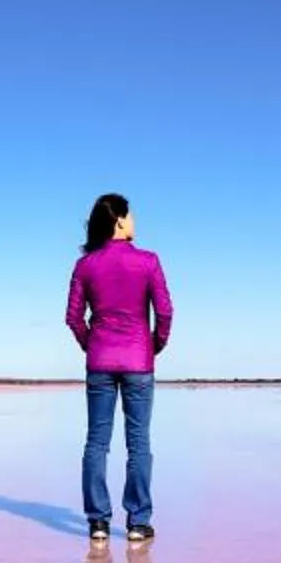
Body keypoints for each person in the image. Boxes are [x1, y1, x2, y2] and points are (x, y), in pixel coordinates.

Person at [65, 192, 173, 543]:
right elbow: (166, 312)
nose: (136, 221)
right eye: (132, 215)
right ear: (120, 220)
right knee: (138, 442)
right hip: (139, 361)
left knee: (97, 441)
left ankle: (98, 522)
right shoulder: (148, 261)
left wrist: (90, 343)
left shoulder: (86, 265)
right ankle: (138, 523)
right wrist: (153, 345)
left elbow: (73, 317)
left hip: (100, 360)